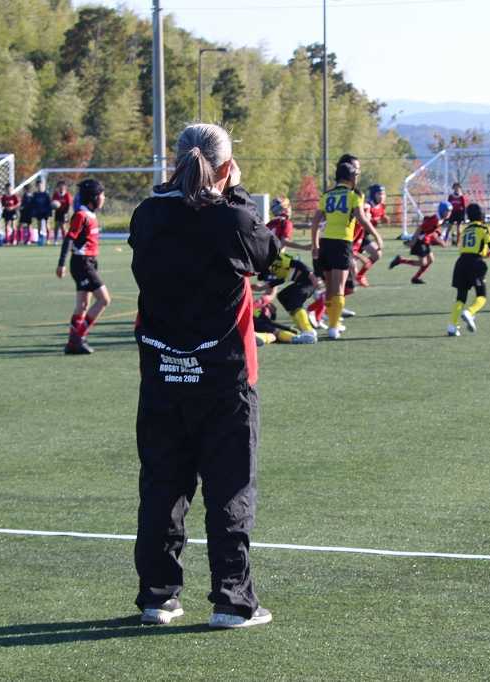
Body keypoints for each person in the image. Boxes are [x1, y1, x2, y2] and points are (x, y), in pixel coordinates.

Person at [128, 122, 277, 629]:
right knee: (229, 489)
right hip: (224, 378)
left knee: (161, 487)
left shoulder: (148, 215)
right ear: (227, 166)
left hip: (162, 373)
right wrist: (233, 193)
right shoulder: (233, 217)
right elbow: (267, 253)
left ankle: (158, 596)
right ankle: (232, 599)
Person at [310, 160, 374, 340]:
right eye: (355, 175)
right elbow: (362, 219)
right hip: (342, 243)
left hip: (325, 242)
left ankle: (332, 322)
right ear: (350, 177)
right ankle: (333, 327)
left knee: (330, 288)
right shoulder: (354, 195)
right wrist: (377, 236)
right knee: (339, 288)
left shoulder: (327, 195)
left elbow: (315, 222)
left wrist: (315, 245)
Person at [56, 179, 111, 354]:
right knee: (104, 299)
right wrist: (61, 264)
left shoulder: (90, 215)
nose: (104, 198)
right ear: (93, 198)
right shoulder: (81, 215)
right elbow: (69, 239)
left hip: (89, 262)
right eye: (101, 195)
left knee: (82, 304)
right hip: (82, 263)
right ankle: (78, 338)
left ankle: (72, 343)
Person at [448, 203, 490, 337]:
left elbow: (469, 247)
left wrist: (485, 253)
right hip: (475, 264)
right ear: (481, 215)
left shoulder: (466, 230)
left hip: (461, 263)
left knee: (460, 297)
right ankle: (470, 312)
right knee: (481, 296)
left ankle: (452, 326)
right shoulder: (484, 228)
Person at [389, 201, 451, 284]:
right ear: (442, 210)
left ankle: (416, 278)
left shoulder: (440, 219)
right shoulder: (435, 220)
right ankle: (400, 260)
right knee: (423, 263)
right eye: (447, 211)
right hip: (419, 241)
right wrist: (413, 241)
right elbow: (420, 228)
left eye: (450, 211)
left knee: (430, 260)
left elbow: (432, 230)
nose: (449, 213)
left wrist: (438, 237)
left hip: (425, 241)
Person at [354, 184, 388, 286]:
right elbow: (360, 218)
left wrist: (384, 218)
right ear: (373, 194)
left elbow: (381, 216)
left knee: (377, 254)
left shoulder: (381, 206)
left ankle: (360, 276)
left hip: (364, 236)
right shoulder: (367, 206)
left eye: (383, 194)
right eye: (379, 194)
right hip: (356, 236)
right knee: (350, 266)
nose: (382, 196)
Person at [31, 180, 53, 245]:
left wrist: (49, 212)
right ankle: (40, 239)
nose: (39, 187)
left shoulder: (46, 194)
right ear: (36, 186)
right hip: (38, 212)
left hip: (46, 212)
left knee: (47, 225)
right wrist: (34, 212)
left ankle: (48, 239)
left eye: (40, 185)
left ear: (43, 186)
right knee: (39, 226)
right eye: (38, 185)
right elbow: (33, 204)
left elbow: (49, 204)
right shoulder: (35, 194)